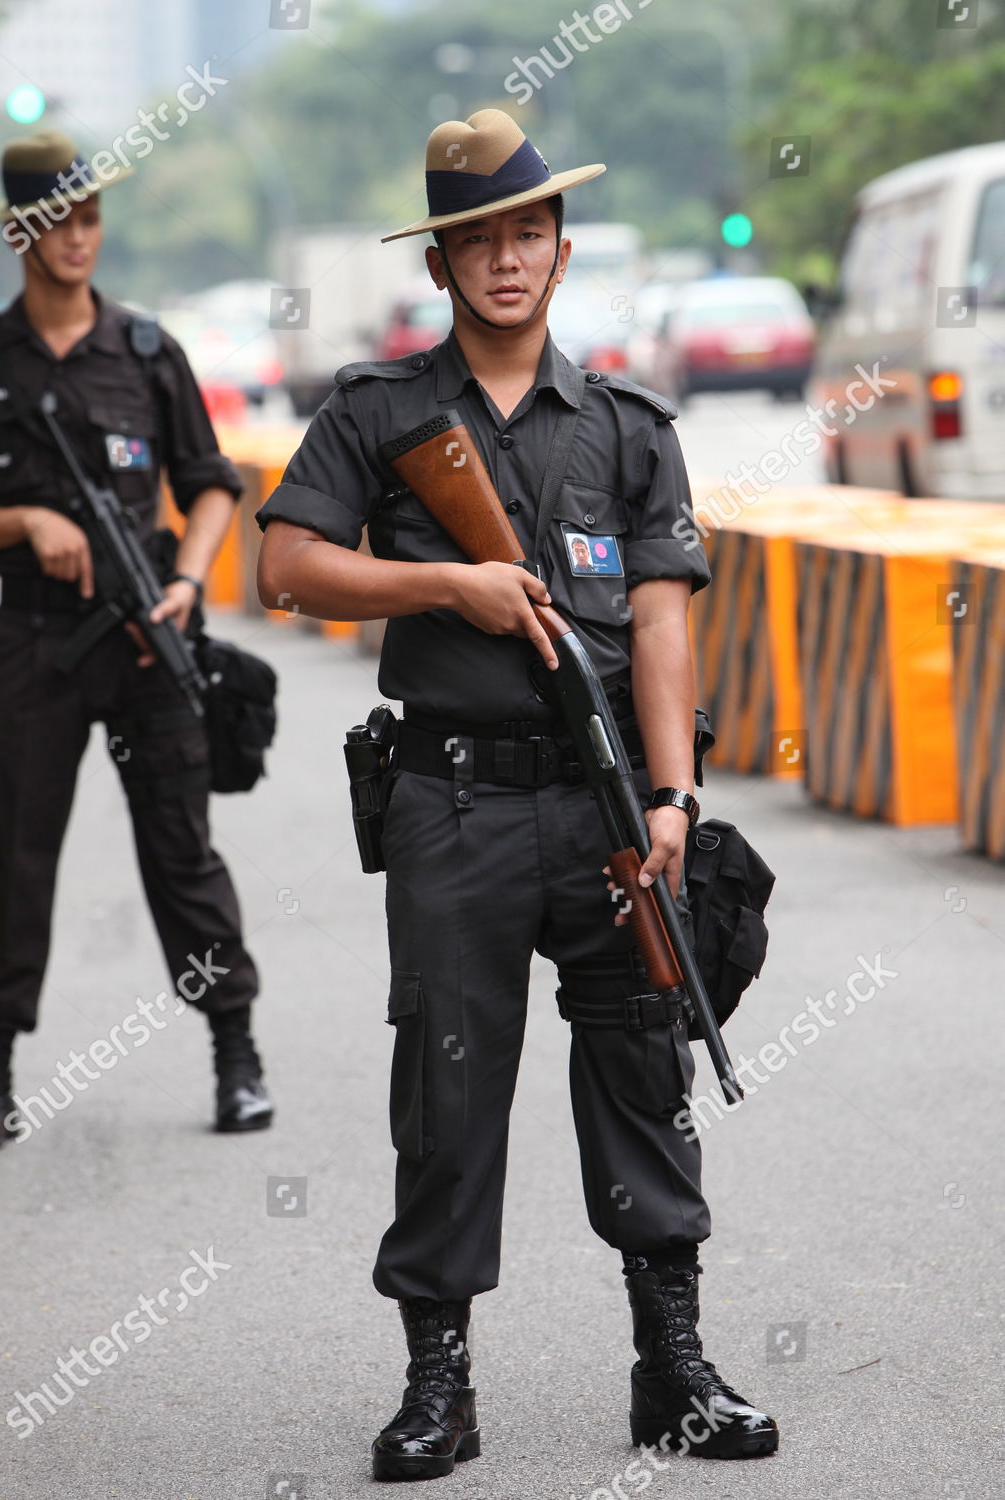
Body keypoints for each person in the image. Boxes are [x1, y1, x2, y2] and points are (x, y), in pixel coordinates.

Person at [255, 109, 777, 1478]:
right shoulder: (378, 414)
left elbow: (660, 625)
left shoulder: (625, 427)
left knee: (641, 1075)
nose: (503, 259)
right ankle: (440, 1388)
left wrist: (670, 800)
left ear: (559, 249)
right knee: (445, 1087)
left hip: (606, 811)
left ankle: (671, 1370)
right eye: (474, 239)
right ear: (439, 265)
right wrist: (448, 584)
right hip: (453, 802)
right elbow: (290, 570)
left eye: (525, 233)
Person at [0, 129, 272, 1150]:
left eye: (91, 216)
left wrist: (192, 579)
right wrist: (23, 522)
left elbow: (209, 487)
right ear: (21, 230)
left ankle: (235, 1056)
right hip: (31, 642)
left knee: (182, 853)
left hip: (149, 634)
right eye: (59, 218)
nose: (79, 235)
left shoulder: (149, 354)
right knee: (17, 857)